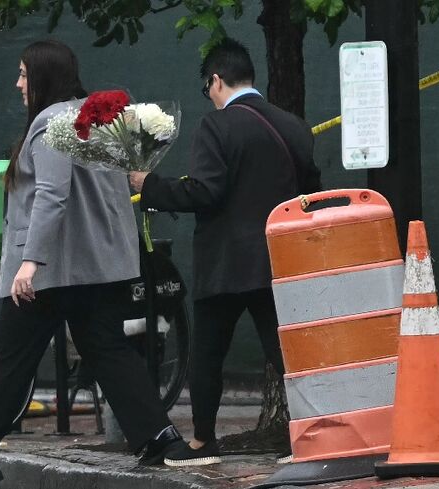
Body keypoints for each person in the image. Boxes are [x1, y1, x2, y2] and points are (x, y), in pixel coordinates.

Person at [0, 40, 189, 487]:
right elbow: (112, 191)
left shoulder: (52, 124)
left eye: (24, 75)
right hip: (100, 266)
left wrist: (29, 263)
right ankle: (161, 438)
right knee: (108, 351)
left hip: (52, 272)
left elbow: (51, 195)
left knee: (12, 363)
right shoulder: (95, 119)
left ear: (43, 78)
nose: (18, 84)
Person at [128, 37, 322, 467]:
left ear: (216, 80)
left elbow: (206, 191)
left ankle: (202, 441)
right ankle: (316, 435)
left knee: (208, 354)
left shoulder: (216, 127)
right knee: (288, 354)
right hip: (281, 257)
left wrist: (150, 187)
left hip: (227, 262)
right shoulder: (294, 125)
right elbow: (311, 192)